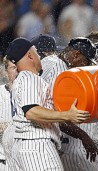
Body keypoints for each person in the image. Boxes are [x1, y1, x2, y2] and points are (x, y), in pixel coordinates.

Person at [6, 37, 90, 170]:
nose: (39, 56)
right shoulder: (29, 77)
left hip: (27, 145)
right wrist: (67, 115)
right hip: (36, 144)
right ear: (30, 55)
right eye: (36, 52)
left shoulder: (23, 79)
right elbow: (32, 112)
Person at [31, 34, 98, 171]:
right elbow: (56, 116)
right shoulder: (60, 69)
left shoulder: (49, 61)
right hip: (36, 137)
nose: (85, 68)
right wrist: (83, 136)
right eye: (86, 62)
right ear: (76, 55)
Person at [0, 57, 18, 171]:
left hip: (26, 159)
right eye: (13, 68)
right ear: (6, 71)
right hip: (3, 160)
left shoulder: (32, 92)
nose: (17, 71)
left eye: (19, 67)